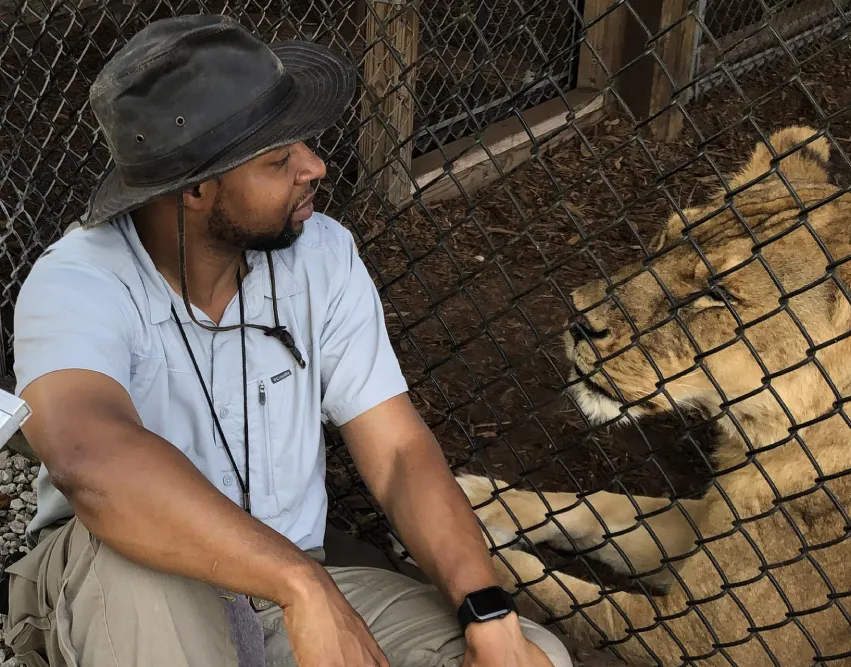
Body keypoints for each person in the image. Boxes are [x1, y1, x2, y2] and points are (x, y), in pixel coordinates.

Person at [0, 14, 574, 667]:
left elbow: (399, 454)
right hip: (123, 570)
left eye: (303, 144)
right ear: (194, 187)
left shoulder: (322, 256)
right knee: (147, 593)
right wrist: (302, 585)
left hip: (290, 583)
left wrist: (486, 608)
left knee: (536, 656)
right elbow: (91, 461)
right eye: (279, 160)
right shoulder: (76, 280)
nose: (316, 167)